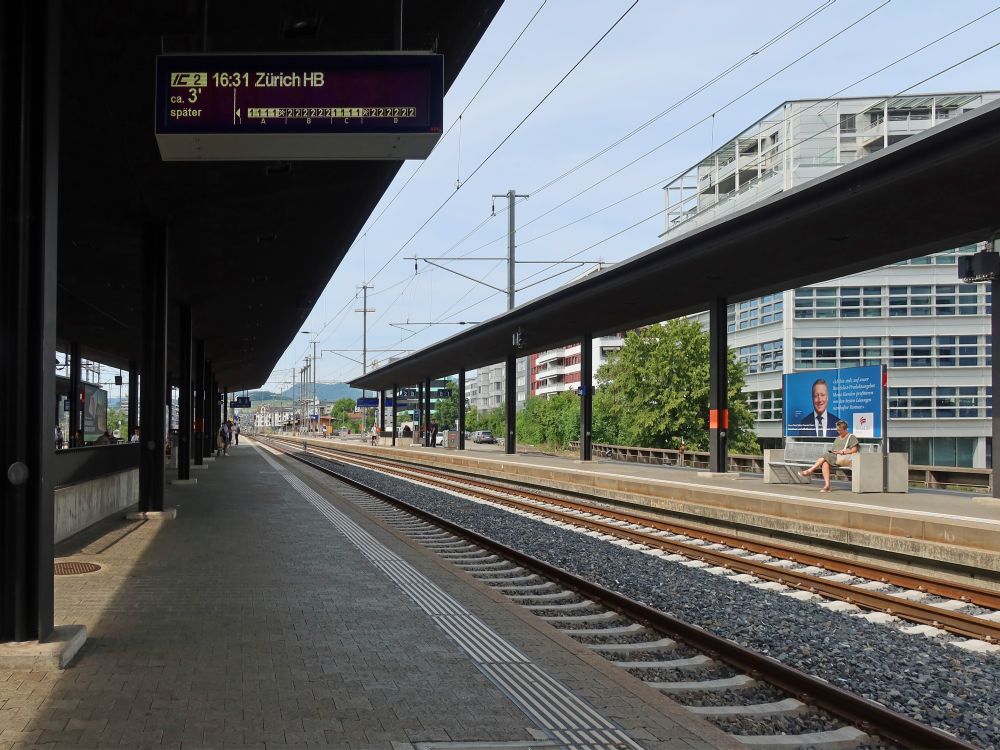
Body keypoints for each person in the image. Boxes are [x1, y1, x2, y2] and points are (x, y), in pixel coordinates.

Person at [798, 420, 859, 492]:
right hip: (836, 458)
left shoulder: (851, 437)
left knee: (826, 456)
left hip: (846, 459)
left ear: (845, 429)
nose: (838, 432)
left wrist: (843, 451)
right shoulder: (837, 438)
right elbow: (834, 451)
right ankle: (827, 486)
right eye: (837, 430)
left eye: (840, 430)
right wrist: (835, 452)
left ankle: (810, 470)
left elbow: (854, 450)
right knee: (825, 463)